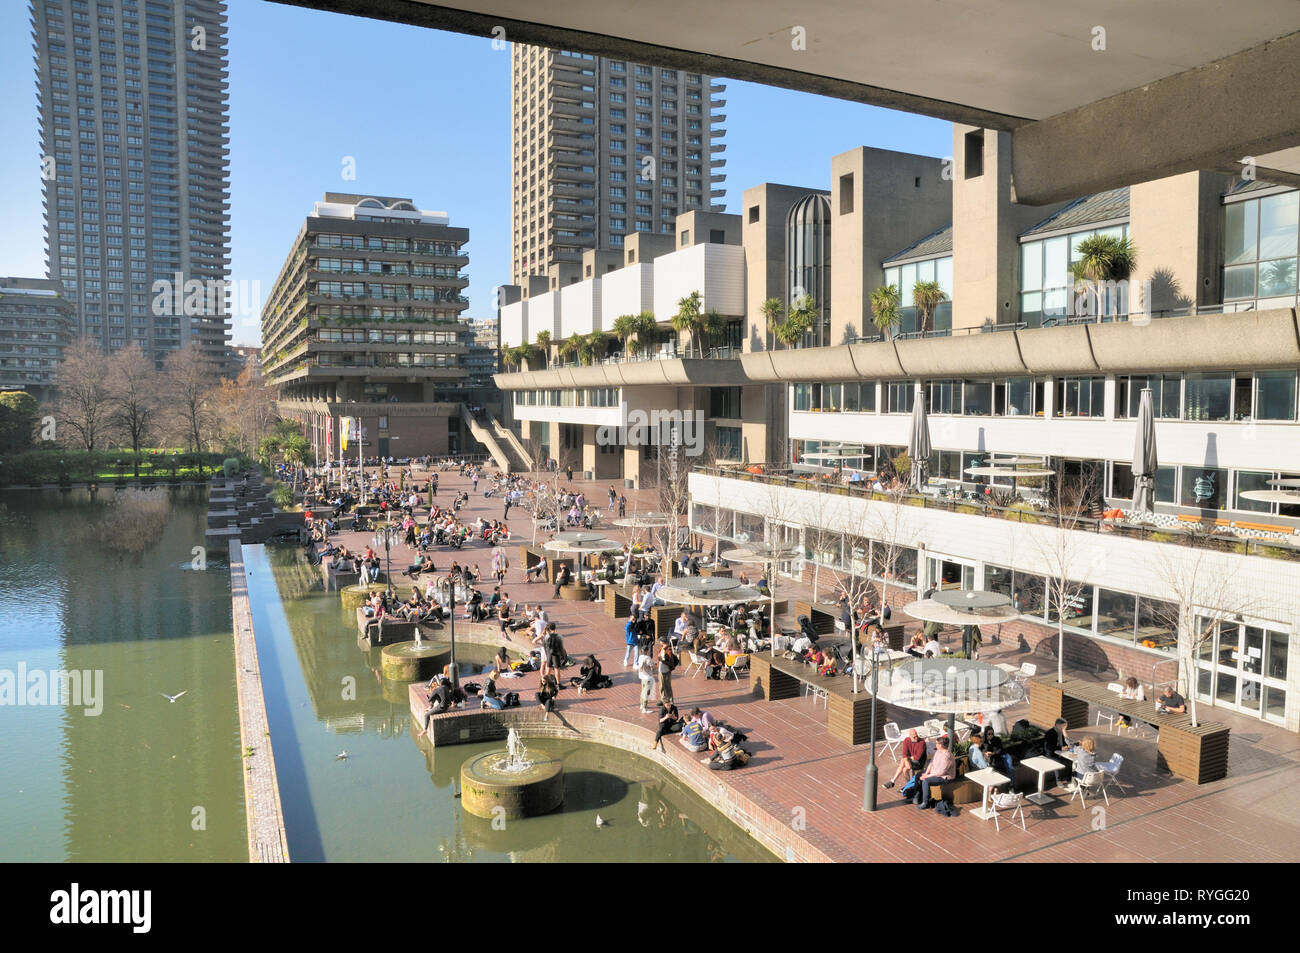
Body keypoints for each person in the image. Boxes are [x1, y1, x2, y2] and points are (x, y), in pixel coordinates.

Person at [916, 735, 956, 809]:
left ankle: (925, 802)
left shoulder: (947, 756)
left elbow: (941, 772)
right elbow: (931, 762)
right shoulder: (938, 751)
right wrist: (926, 773)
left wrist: (927, 776)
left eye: (937, 743)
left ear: (941, 745)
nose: (935, 744)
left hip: (944, 777)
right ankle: (918, 795)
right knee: (918, 775)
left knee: (926, 781)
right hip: (934, 772)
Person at [1043, 717, 1073, 785]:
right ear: (1058, 725)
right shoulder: (1050, 733)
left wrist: (1066, 746)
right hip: (1051, 754)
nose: (1065, 728)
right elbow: (1048, 747)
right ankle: (1058, 781)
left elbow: (1066, 742)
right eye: (1064, 726)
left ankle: (1070, 778)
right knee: (1058, 762)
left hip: (1061, 752)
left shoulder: (1062, 732)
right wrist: (1060, 748)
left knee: (1071, 761)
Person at [636, 648, 657, 714]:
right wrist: (655, 665)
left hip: (642, 677)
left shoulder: (640, 657)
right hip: (648, 677)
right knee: (646, 692)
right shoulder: (648, 658)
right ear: (647, 651)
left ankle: (642, 705)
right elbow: (652, 666)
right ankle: (644, 708)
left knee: (643, 690)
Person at [657, 639, 677, 706]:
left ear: (663, 642)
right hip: (661, 670)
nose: (659, 642)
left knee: (667, 686)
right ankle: (664, 699)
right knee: (662, 686)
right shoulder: (661, 649)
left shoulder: (668, 651)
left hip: (666, 671)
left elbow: (671, 663)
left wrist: (662, 661)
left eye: (660, 641)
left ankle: (670, 701)